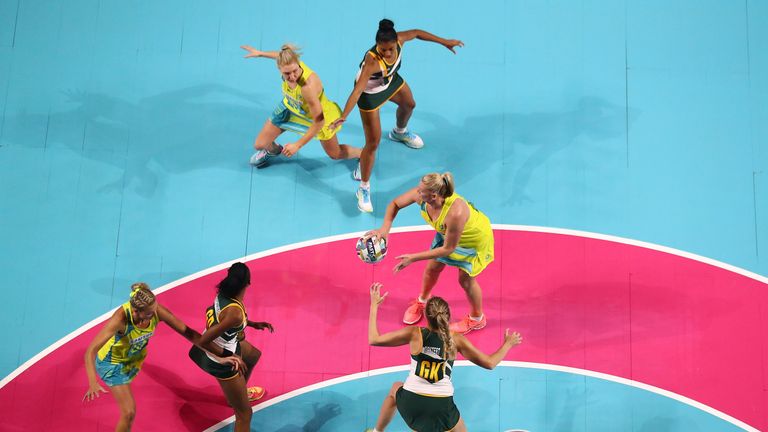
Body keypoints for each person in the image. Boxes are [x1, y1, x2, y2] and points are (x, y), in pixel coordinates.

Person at [331, 19, 463, 213]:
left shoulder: (400, 39)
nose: (387, 53)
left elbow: (417, 32)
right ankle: (364, 188)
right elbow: (358, 90)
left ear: (395, 43)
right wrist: (344, 115)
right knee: (373, 143)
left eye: (390, 49)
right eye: (382, 49)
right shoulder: (373, 61)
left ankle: (399, 132)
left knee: (409, 104)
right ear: (377, 46)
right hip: (369, 95)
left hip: (389, 82)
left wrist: (444, 42)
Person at [83, 283, 245, 432]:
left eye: (155, 310)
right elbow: (90, 351)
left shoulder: (155, 310)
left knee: (130, 411)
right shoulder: (120, 320)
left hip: (130, 359)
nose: (154, 315)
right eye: (149, 313)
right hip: (111, 363)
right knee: (129, 412)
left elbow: (190, 334)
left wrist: (219, 356)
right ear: (136, 312)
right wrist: (92, 382)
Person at [365, 282, 522, 432]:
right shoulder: (456, 340)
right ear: (448, 316)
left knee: (395, 388)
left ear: (426, 317)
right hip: (442, 410)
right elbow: (490, 363)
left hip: (411, 404)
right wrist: (508, 344)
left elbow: (374, 339)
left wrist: (373, 306)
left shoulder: (414, 333)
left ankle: (377, 431)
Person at [367, 172, 494, 334]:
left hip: (473, 241)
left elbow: (448, 249)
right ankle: (423, 301)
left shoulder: (455, 213)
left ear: (433, 196)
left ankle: (477, 318)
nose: (416, 193)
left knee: (465, 280)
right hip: (448, 234)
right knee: (432, 268)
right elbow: (395, 203)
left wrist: (412, 258)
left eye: (420, 191)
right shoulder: (422, 197)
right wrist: (385, 229)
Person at [241, 43, 362, 171]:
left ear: (298, 63)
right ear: (279, 68)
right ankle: (274, 151)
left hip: (315, 116)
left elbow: (319, 122)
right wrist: (260, 53)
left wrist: (297, 145)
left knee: (335, 153)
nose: (292, 76)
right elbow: (280, 55)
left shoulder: (307, 87)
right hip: (291, 108)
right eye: (287, 73)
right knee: (260, 144)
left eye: (295, 71)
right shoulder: (287, 61)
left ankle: (363, 154)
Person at [189, 262, 274, 432]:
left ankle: (235, 396)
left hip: (228, 343)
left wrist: (252, 324)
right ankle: (237, 399)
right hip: (218, 357)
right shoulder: (234, 312)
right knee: (244, 415)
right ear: (248, 283)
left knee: (253, 356)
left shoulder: (224, 294)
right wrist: (227, 356)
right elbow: (204, 341)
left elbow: (230, 320)